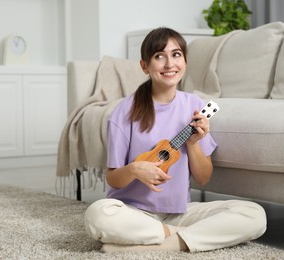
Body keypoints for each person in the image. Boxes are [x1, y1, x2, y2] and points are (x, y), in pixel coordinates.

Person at [84, 27, 267, 253]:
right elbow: (113, 178)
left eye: (176, 54)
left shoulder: (194, 106)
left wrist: (193, 144)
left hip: (179, 212)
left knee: (254, 214)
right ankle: (181, 237)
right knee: (97, 214)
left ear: (185, 61)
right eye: (159, 56)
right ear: (145, 66)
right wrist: (133, 170)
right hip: (132, 212)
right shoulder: (124, 112)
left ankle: (162, 243)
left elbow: (203, 178)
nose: (170, 64)